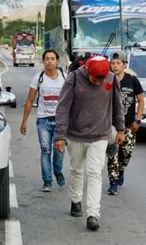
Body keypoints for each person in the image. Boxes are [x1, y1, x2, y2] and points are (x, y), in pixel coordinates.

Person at [54, 56, 125, 230]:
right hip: (75, 134)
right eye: (94, 79)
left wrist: (121, 128)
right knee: (77, 169)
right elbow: (63, 107)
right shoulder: (75, 77)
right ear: (88, 72)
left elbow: (117, 105)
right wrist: (60, 136)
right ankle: (76, 200)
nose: (97, 83)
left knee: (95, 173)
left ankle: (93, 214)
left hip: (100, 134)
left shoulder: (111, 78)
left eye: (101, 80)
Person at [20, 49, 66, 192]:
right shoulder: (38, 78)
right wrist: (24, 122)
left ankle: (58, 172)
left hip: (61, 122)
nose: (50, 61)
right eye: (47, 58)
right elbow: (29, 101)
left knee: (59, 151)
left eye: (53, 58)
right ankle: (47, 181)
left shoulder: (65, 77)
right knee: (45, 151)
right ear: (43, 61)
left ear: (57, 61)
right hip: (43, 121)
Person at [106, 50, 145, 195]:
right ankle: (113, 182)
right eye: (113, 63)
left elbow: (141, 101)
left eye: (118, 63)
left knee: (126, 154)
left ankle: (121, 170)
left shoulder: (132, 80)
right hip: (111, 127)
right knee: (112, 155)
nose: (115, 66)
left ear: (124, 65)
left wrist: (138, 119)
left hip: (129, 126)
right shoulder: (107, 80)